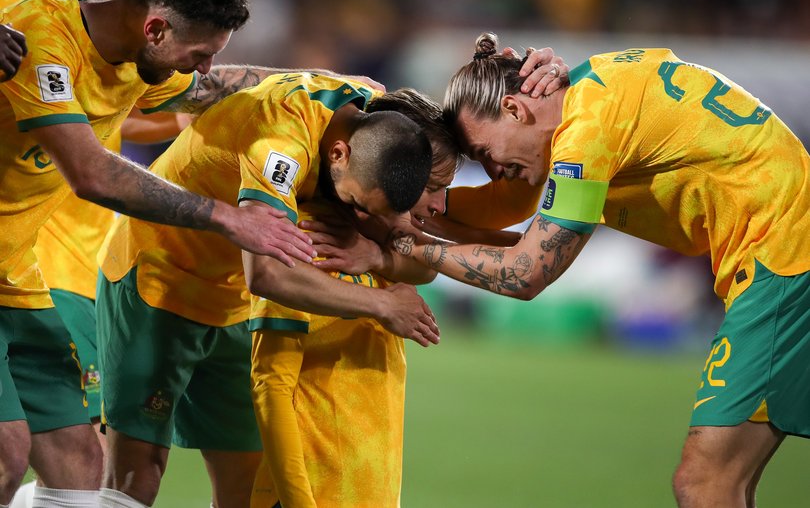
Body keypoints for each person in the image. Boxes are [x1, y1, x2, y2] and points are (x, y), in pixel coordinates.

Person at [390, 32, 810, 508]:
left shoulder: (587, 129)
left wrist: (405, 245)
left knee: (706, 484)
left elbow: (527, 273)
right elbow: (507, 203)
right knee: (724, 484)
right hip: (785, 254)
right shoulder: (591, 91)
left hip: (786, 261)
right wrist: (415, 203)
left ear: (514, 109)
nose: (492, 171)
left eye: (486, 154)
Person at [0, 0, 320, 505]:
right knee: (7, 458)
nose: (204, 66)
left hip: (15, 277)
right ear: (155, 30)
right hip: (33, 268)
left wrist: (309, 84)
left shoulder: (132, 57)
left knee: (80, 464)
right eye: (199, 52)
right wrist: (228, 217)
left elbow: (210, 89)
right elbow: (92, 174)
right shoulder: (42, 37)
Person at [95, 73, 438, 508]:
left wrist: (381, 258)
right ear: (338, 153)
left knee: (244, 485)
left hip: (235, 303)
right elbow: (267, 274)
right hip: (158, 281)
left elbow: (414, 248)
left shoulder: (378, 130)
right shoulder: (281, 143)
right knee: (136, 475)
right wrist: (382, 303)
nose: (358, 219)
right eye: (354, 205)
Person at [249, 88, 460, 508]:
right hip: (311, 490)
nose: (438, 204)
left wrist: (376, 258)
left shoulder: (379, 246)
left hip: (369, 490)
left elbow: (428, 264)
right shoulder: (308, 238)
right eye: (430, 185)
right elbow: (271, 385)